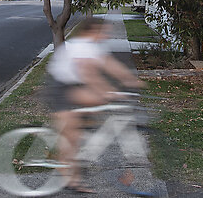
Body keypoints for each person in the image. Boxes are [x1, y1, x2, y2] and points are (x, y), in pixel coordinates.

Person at [46, 17, 143, 193]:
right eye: (103, 32)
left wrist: (131, 80)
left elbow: (110, 65)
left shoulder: (95, 46)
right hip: (60, 88)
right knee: (72, 135)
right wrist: (108, 92)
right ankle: (71, 177)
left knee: (97, 105)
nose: (106, 35)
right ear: (91, 32)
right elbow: (89, 75)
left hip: (74, 85)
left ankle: (80, 139)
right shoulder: (81, 45)